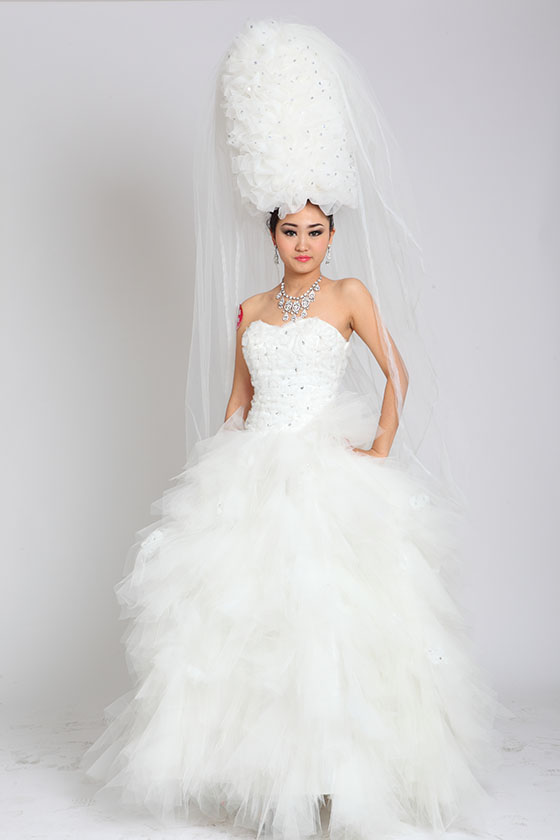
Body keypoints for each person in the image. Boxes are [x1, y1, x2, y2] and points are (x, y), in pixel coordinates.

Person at [80, 17, 509, 840]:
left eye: (317, 231)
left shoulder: (350, 296)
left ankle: (338, 777)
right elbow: (236, 402)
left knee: (333, 621)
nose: (304, 244)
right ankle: (268, 775)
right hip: (255, 466)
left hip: (327, 467)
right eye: (290, 230)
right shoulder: (251, 308)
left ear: (333, 234)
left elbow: (398, 374)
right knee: (254, 625)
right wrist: (217, 476)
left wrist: (380, 446)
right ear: (270, 231)